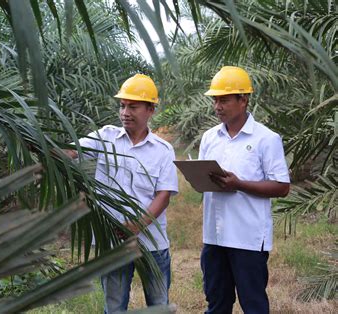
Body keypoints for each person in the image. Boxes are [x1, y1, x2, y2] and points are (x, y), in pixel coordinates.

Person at [66, 74, 178, 313]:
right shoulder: (105, 137)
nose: (125, 112)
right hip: (112, 241)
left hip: (152, 242)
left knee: (158, 306)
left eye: (133, 106)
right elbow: (73, 151)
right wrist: (40, 145)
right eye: (123, 105)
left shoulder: (163, 150)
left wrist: (137, 225)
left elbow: (164, 195)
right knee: (114, 306)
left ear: (150, 109)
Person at [198, 66, 290, 313]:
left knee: (253, 304)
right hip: (214, 236)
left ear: (243, 99)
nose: (217, 106)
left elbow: (282, 187)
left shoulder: (266, 139)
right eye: (215, 100)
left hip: (247, 238)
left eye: (224, 100)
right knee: (216, 303)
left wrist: (239, 185)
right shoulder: (210, 137)